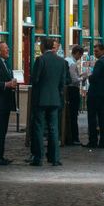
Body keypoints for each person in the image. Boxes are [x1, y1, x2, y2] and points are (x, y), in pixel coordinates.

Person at [28, 38, 66, 166]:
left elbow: (35, 79)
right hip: (54, 99)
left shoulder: (41, 60)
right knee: (54, 128)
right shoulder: (61, 61)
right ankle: (54, 157)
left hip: (41, 99)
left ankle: (38, 157)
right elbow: (62, 82)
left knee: (39, 127)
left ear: (43, 47)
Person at [85, 42, 104, 149]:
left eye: (97, 51)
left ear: (102, 51)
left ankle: (93, 141)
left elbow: (94, 77)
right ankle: (103, 141)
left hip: (95, 94)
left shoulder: (100, 63)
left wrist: (89, 77)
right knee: (102, 117)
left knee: (92, 118)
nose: (95, 53)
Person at [64, 45, 86, 145]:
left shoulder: (66, 60)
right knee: (73, 114)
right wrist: (83, 78)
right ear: (77, 53)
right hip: (73, 90)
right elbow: (74, 80)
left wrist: (79, 75)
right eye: (80, 56)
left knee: (68, 114)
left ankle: (67, 135)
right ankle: (74, 137)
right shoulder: (72, 63)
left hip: (66, 90)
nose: (80, 58)